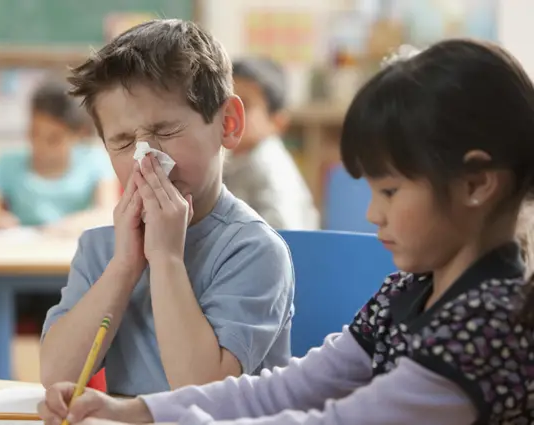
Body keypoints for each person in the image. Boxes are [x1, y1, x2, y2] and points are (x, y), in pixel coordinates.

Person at [38, 39, 534, 424]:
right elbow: (292, 387)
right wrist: (137, 412)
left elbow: (338, 421)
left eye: (390, 192)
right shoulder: (412, 289)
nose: (372, 215)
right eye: (123, 140)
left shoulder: (488, 326)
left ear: (475, 184)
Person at [39, 19, 295, 397]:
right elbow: (56, 376)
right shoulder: (103, 249)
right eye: (124, 141)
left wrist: (165, 259)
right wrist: (124, 266)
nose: (147, 160)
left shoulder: (254, 251)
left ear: (228, 123)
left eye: (166, 131)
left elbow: (203, 394)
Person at [0, 79, 118, 377]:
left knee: (64, 322)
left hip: (68, 280)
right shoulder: (9, 163)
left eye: (54, 138)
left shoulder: (94, 162)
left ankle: (66, 391)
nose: (40, 146)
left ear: (77, 135)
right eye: (34, 134)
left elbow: (107, 212)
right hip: (14, 277)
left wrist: (63, 226)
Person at [223, 57, 319, 230]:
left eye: (245, 104)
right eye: (225, 102)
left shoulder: (270, 168)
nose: (229, 112)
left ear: (277, 122)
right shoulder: (235, 160)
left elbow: (286, 235)